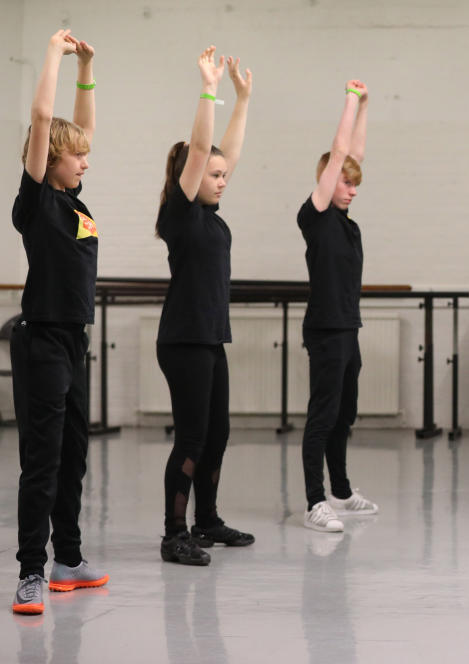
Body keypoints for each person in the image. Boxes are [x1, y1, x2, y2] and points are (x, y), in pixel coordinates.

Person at [10, 29, 108, 615]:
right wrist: (54, 53)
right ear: (50, 161)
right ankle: (29, 571)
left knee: (74, 454)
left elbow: (80, 127)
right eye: (77, 156)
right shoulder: (36, 203)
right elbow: (45, 117)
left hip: (75, 342)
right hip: (41, 340)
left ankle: (67, 557)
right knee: (42, 459)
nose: (86, 160)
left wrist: (88, 70)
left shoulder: (77, 204)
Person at [155, 46, 254, 565]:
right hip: (183, 340)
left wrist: (242, 99)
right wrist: (208, 88)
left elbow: (223, 153)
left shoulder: (212, 215)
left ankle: (206, 521)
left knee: (218, 434)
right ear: (191, 177)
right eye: (213, 175)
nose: (222, 178)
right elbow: (201, 149)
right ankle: (175, 533)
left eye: (222, 175)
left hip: (210, 339)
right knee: (192, 437)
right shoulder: (182, 214)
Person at [299, 80, 379, 533]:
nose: (351, 189)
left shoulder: (348, 224)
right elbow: (340, 150)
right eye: (344, 182)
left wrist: (365, 105)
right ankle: (315, 501)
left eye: (354, 184)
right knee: (323, 415)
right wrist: (349, 99)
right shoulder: (315, 215)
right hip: (326, 330)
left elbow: (355, 153)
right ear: (327, 180)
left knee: (345, 414)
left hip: (349, 328)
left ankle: (342, 491)